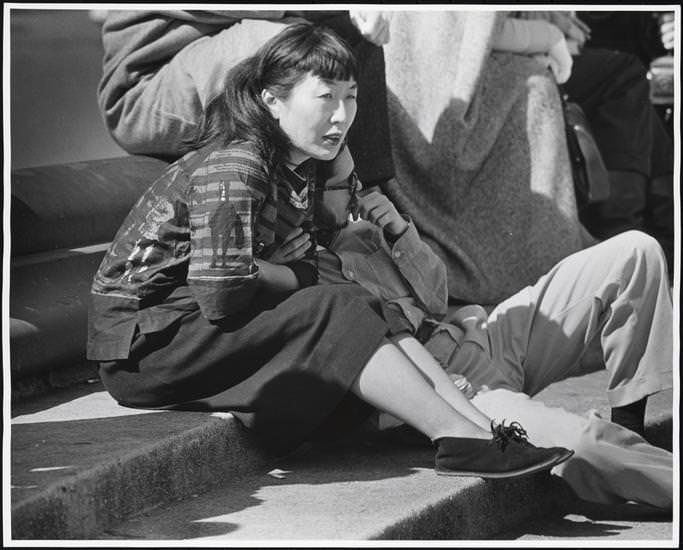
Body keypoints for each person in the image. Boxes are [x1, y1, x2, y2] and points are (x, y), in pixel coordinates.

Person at [87, 23, 572, 479]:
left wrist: (284, 270)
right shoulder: (238, 166)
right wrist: (289, 274)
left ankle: (478, 429)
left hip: (192, 328)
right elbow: (223, 295)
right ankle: (457, 435)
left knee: (359, 298)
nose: (340, 117)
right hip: (145, 347)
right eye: (324, 98)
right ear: (272, 101)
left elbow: (296, 270)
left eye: (350, 98)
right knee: (335, 302)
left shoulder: (295, 166)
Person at [314, 159, 673, 509]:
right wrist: (429, 393)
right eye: (344, 186)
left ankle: (632, 426)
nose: (358, 193)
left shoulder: (360, 234)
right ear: (308, 196)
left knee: (635, 252)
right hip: (457, 397)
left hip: (480, 339)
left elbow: (436, 299)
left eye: (357, 180)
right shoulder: (307, 278)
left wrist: (398, 233)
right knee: (587, 443)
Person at [96, 9, 394, 187]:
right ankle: (299, 212)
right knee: (295, 49)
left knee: (351, 32)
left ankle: (362, 191)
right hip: (147, 89)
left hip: (220, 51)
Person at [494, 11, 675, 274]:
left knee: (639, 104)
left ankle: (664, 241)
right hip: (500, 71)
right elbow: (484, 32)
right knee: (625, 75)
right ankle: (619, 233)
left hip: (533, 53)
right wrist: (552, 34)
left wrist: (556, 21)